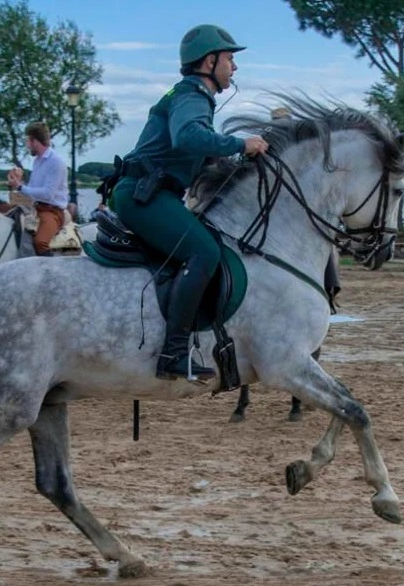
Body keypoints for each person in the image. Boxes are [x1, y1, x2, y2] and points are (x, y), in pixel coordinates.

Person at [109, 24, 269, 381]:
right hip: (144, 196)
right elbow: (187, 137)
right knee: (205, 253)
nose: (234, 67)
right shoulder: (193, 95)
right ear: (209, 61)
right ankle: (174, 353)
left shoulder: (191, 96)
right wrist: (240, 144)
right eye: (229, 58)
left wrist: (234, 160)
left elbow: (193, 151)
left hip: (149, 193)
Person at [7, 122, 69, 256]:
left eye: (27, 141)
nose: (26, 145)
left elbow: (47, 194)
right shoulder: (38, 161)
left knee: (40, 242)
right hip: (35, 207)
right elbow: (33, 191)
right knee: (8, 216)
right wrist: (18, 182)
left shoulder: (56, 162)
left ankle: (53, 274)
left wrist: (20, 186)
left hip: (52, 211)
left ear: (34, 141)